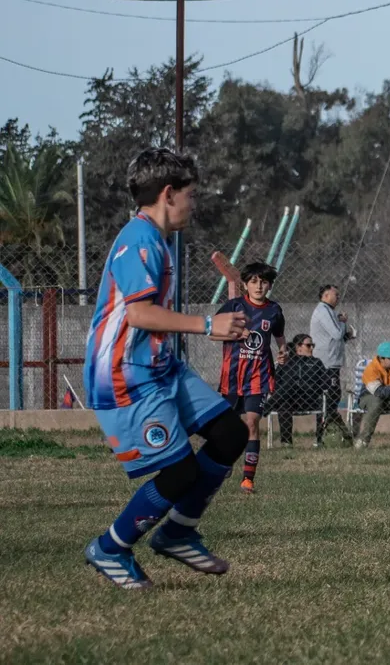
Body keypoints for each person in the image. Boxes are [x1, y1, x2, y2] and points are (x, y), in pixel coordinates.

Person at [82, 147, 249, 590]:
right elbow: (139, 315)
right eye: (191, 194)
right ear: (168, 193)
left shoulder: (158, 239)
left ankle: (177, 532)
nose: (194, 204)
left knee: (230, 433)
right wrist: (209, 325)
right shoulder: (139, 239)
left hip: (159, 366)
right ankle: (111, 547)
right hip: (123, 373)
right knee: (180, 472)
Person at [217, 262, 286, 494]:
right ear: (245, 285)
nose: (258, 286)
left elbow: (279, 336)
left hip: (259, 376)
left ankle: (248, 479)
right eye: (254, 281)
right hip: (232, 378)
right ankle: (225, 461)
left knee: (252, 423)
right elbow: (212, 331)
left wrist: (283, 350)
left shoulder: (274, 310)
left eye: (263, 282)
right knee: (226, 426)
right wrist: (236, 332)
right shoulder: (234, 306)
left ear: (269, 285)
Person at [309, 284, 355, 446]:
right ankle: (322, 436)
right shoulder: (323, 311)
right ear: (326, 295)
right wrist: (342, 322)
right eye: (336, 294)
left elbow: (334, 337)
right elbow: (336, 334)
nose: (338, 297)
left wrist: (347, 335)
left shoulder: (329, 311)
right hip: (326, 364)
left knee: (332, 398)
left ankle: (330, 432)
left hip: (332, 363)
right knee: (329, 399)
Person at [266, 334, 331, 446]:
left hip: (310, 399)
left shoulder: (316, 362)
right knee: (284, 402)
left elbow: (325, 383)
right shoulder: (286, 362)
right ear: (298, 347)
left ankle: (320, 440)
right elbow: (276, 382)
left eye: (313, 345)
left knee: (291, 386)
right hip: (289, 400)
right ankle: (286, 442)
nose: (312, 348)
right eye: (309, 345)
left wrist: (313, 387)